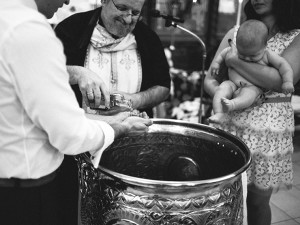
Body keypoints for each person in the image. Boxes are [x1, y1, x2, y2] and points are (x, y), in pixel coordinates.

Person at [0, 0, 152, 225]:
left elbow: (30, 113)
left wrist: (104, 119)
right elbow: (69, 135)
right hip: (24, 195)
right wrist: (118, 128)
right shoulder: (29, 31)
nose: (68, 1)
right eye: (121, 8)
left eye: (135, 12)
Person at [54, 1, 171, 223]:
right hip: (78, 145)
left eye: (135, 13)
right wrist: (78, 73)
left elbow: (163, 87)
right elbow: (48, 73)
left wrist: (135, 99)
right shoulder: (71, 28)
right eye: (122, 8)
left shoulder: (147, 38)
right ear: (104, 1)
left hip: (129, 143)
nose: (128, 19)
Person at [204, 0, 300, 225]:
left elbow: (279, 80)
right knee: (223, 196)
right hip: (230, 121)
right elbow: (210, 79)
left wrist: (233, 59)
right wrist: (223, 94)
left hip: (267, 128)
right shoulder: (235, 32)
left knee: (257, 201)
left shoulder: (296, 36)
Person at [208, 19, 294, 124]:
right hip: (232, 83)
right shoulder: (235, 49)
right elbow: (223, 53)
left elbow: (284, 66)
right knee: (221, 89)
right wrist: (216, 64)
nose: (247, 59)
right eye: (242, 55)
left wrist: (287, 82)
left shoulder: (267, 54)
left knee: (249, 94)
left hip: (252, 86)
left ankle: (233, 104)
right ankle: (219, 113)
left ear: (264, 47)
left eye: (253, 56)